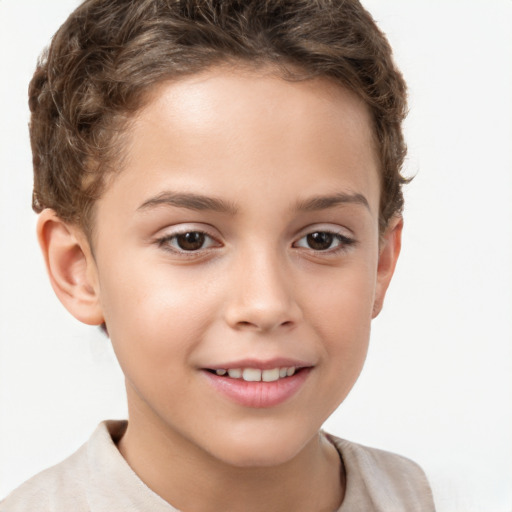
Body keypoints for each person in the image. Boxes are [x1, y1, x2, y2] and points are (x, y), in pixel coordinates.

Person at [0, 0, 436, 510]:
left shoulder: (422, 497)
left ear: (381, 263)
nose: (265, 304)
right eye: (190, 239)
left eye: (321, 239)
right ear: (78, 268)